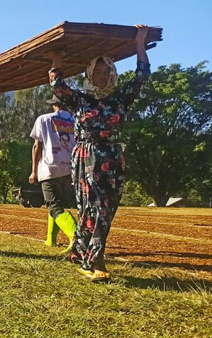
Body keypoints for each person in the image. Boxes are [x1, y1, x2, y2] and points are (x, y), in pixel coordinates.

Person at [48, 25, 151, 282]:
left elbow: (141, 76)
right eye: (97, 71)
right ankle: (96, 259)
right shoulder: (80, 100)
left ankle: (83, 255)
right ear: (90, 74)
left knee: (106, 209)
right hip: (87, 158)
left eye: (107, 71)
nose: (102, 75)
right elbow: (56, 84)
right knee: (95, 209)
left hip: (113, 158)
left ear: (113, 74)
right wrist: (57, 53)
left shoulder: (120, 99)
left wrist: (140, 43)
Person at [29, 95, 77, 250]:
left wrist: (34, 171)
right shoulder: (76, 121)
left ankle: (76, 235)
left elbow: (37, 147)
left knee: (53, 206)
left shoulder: (44, 119)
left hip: (50, 169)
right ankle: (51, 239)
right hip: (70, 170)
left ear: (55, 104)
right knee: (57, 204)